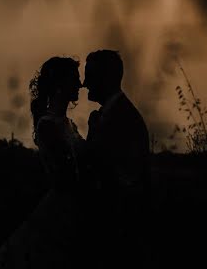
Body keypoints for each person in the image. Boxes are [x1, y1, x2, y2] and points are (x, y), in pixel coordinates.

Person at [0, 57, 87, 269]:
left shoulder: (69, 124)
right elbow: (65, 174)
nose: (80, 85)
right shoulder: (48, 125)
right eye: (74, 80)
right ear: (60, 85)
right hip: (61, 208)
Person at [80, 50, 151, 263]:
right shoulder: (111, 114)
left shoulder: (126, 118)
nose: (84, 84)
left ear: (106, 78)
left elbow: (124, 178)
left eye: (89, 76)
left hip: (118, 229)